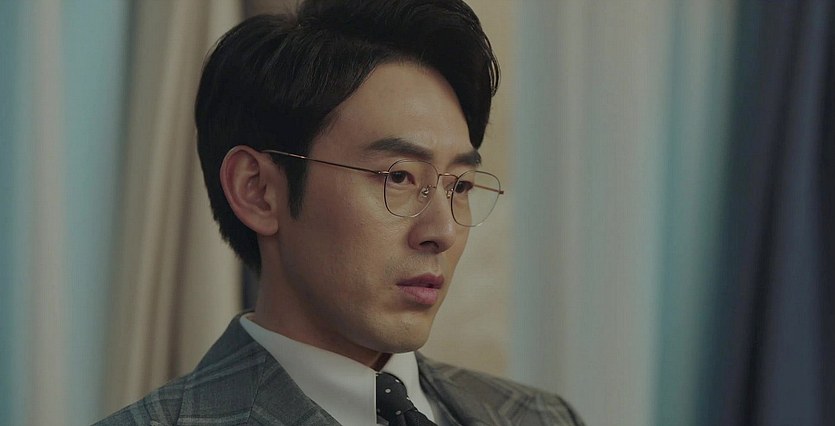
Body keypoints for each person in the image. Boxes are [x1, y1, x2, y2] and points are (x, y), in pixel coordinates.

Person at [97, 0, 583, 424]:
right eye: (398, 177)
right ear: (257, 191)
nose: (443, 231)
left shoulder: (542, 416)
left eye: (460, 185)